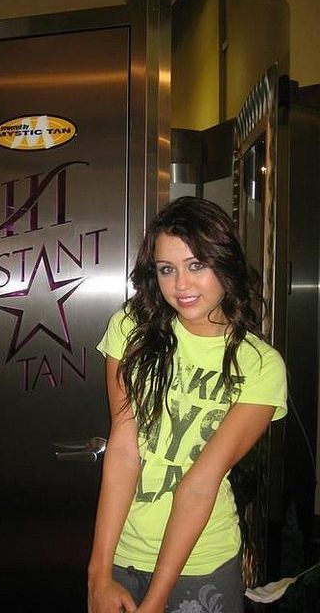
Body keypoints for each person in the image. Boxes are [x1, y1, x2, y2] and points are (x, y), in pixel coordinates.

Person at [88, 196, 287, 613]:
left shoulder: (260, 366)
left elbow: (201, 483)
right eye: (167, 269)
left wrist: (156, 600)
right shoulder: (131, 329)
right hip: (122, 555)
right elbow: (123, 448)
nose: (180, 285)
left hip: (202, 565)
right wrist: (98, 575)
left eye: (196, 265)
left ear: (225, 263)